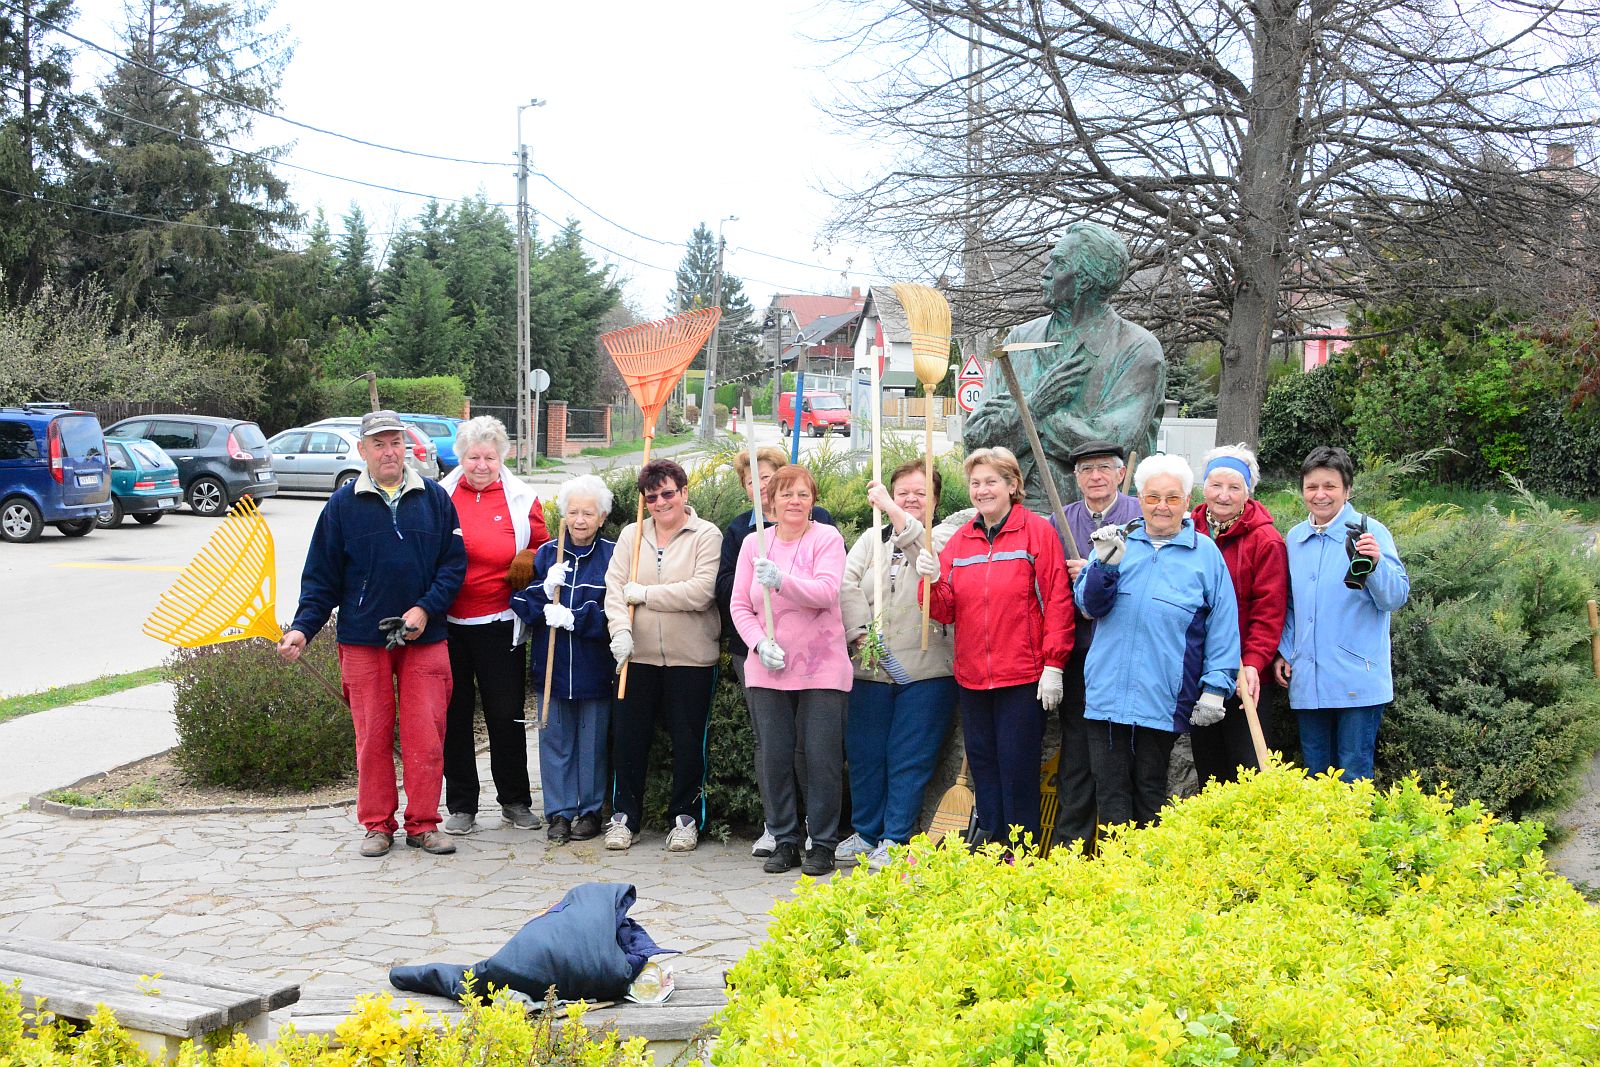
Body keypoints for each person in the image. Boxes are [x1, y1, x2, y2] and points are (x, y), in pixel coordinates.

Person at [278, 410, 466, 857]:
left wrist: (424, 609)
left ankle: (423, 823)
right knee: (372, 736)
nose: (389, 452)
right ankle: (377, 825)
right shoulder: (341, 507)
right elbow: (320, 579)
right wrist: (303, 628)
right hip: (363, 639)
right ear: (362, 451)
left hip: (425, 637)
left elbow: (453, 566)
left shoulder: (436, 498)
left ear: (407, 447)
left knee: (426, 735)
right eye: (378, 444)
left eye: (395, 442)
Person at [1074, 454, 1240, 829]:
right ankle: (1114, 881)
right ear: (1140, 498)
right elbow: (1088, 605)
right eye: (1152, 497)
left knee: (1151, 794)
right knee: (1110, 796)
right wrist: (1103, 566)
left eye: (1172, 498)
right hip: (1106, 696)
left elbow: (1223, 627)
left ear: (1186, 501)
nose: (1161, 506)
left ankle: (1148, 881)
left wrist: (1216, 687)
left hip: (1163, 697)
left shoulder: (1205, 556)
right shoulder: (1116, 541)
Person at [923, 446, 1074, 850]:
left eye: (991, 481)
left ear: (1012, 485)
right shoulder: (962, 538)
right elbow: (945, 610)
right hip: (973, 677)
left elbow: (1057, 600)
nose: (982, 490)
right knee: (985, 767)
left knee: (1017, 768)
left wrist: (1054, 664)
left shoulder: (1037, 532)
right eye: (975, 483)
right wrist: (932, 581)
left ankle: (1020, 853)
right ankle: (992, 845)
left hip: (1022, 676)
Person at [963, 221, 1166, 511]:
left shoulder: (1137, 349)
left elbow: (1109, 446)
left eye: (1057, 264)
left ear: (1085, 280)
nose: (1044, 273)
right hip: (1012, 516)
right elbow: (976, 437)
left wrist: (1024, 418)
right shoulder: (1019, 340)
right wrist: (1035, 404)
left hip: (1092, 520)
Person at [840, 459, 964, 869]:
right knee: (865, 754)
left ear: (937, 501)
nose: (910, 499)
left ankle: (895, 837)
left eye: (920, 493)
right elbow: (845, 584)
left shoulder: (946, 537)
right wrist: (858, 633)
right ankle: (867, 831)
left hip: (926, 670)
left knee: (908, 757)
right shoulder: (869, 541)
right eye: (903, 492)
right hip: (871, 667)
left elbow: (922, 553)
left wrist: (893, 512)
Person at [714, 445, 836, 858]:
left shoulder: (827, 537)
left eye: (803, 494)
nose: (794, 502)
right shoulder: (753, 544)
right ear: (770, 499)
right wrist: (758, 642)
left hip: (821, 666)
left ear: (813, 500)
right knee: (776, 756)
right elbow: (739, 606)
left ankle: (821, 841)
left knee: (819, 756)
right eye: (785, 494)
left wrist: (783, 579)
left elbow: (826, 592)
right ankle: (784, 838)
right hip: (769, 666)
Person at [436, 416, 550, 836]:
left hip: (501, 622)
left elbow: (545, 546)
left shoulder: (522, 497)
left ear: (502, 456)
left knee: (505, 715)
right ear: (460, 457)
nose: (481, 464)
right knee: (454, 714)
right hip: (447, 625)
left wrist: (530, 557)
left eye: (489, 456)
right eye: (472, 456)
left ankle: (515, 801)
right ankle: (462, 804)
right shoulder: (440, 495)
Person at [604, 459, 723, 852]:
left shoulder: (706, 535)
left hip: (691, 658)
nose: (660, 502)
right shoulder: (630, 536)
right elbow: (615, 588)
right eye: (651, 496)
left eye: (668, 493)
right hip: (637, 657)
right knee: (628, 740)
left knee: (688, 742)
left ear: (684, 493)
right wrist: (620, 630)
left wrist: (647, 595)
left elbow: (700, 591)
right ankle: (625, 818)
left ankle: (686, 818)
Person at [1273, 446, 1410, 781]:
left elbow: (1395, 597)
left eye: (1330, 486)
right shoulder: (1296, 538)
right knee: (1317, 774)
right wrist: (1285, 650)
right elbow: (1290, 603)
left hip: (1357, 680)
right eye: (1312, 487)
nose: (1320, 495)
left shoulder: (1369, 532)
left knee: (1353, 776)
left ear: (1347, 490)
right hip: (1308, 679)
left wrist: (1375, 564)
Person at [1048, 439, 1143, 850]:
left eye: (1104, 468)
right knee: (1078, 752)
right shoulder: (1060, 521)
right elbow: (1049, 589)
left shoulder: (1141, 516)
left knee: (1127, 752)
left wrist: (1095, 570)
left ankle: (1126, 847)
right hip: (1080, 653)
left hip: (1128, 654)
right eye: (1086, 470)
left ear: (1121, 473)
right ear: (1076, 478)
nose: (1095, 477)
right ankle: (1072, 845)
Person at [511, 474, 615, 844]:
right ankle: (558, 813)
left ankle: (589, 812)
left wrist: (577, 618)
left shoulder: (614, 555)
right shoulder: (545, 555)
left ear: (602, 517)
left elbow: (617, 613)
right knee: (554, 742)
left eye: (589, 512)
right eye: (573, 512)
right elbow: (520, 605)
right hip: (551, 671)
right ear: (564, 515)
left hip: (595, 670)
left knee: (592, 745)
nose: (581, 520)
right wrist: (544, 588)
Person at [1189, 444, 1288, 786]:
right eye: (1216, 485)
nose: (1224, 495)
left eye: (1234, 487)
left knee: (1248, 769)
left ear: (1248, 491)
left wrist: (1253, 661)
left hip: (1245, 673)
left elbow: (1269, 609)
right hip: (1198, 670)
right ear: (1204, 487)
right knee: (1209, 768)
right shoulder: (1186, 531)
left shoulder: (1265, 540)